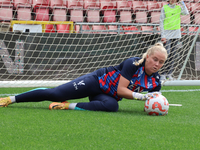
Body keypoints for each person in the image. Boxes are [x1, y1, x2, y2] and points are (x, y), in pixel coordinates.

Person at [0, 43, 167, 112]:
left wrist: (155, 103)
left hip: (107, 95)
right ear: (147, 56)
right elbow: (121, 90)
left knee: (112, 106)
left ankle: (67, 106)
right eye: (155, 59)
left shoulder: (156, 81)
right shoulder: (133, 63)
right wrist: (141, 96)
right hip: (96, 82)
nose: (157, 64)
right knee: (56, 93)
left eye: (161, 62)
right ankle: (10, 99)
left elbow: (153, 100)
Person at [160, 0, 189, 81]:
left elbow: (186, 13)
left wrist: (182, 3)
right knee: (167, 54)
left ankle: (169, 74)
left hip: (176, 34)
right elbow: (161, 22)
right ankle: (163, 73)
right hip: (167, 34)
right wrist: (163, 35)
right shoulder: (164, 8)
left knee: (173, 55)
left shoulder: (178, 8)